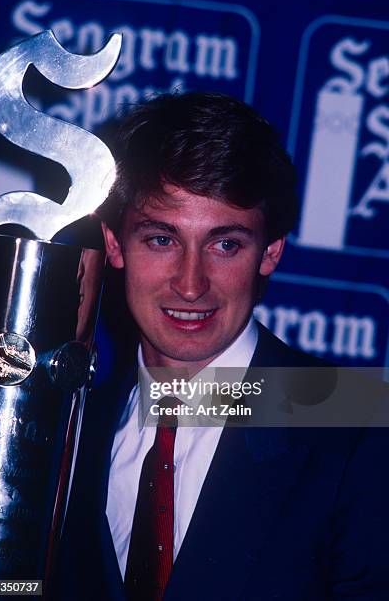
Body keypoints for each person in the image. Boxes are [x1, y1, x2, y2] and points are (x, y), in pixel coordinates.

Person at [56, 92, 389, 600]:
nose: (191, 285)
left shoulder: (361, 426)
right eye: (161, 240)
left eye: (225, 244)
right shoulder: (70, 432)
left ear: (270, 252)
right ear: (116, 245)